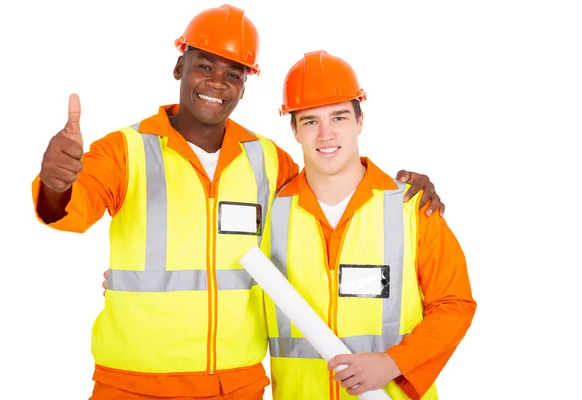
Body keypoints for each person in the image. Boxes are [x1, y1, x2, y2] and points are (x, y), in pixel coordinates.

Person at [33, 5, 445, 400]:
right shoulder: (127, 151)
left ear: (245, 85)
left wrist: (402, 187)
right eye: (204, 66)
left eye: (233, 73)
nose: (217, 83)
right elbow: (72, 208)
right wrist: (56, 184)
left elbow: (333, 189)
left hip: (236, 387)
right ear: (180, 67)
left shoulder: (266, 160)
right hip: (133, 385)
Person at [259, 50, 476, 400]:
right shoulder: (271, 213)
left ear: (360, 121)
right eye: (311, 121)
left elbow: (454, 305)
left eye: (339, 117)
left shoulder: (411, 206)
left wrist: (392, 363)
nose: (326, 134)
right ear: (294, 130)